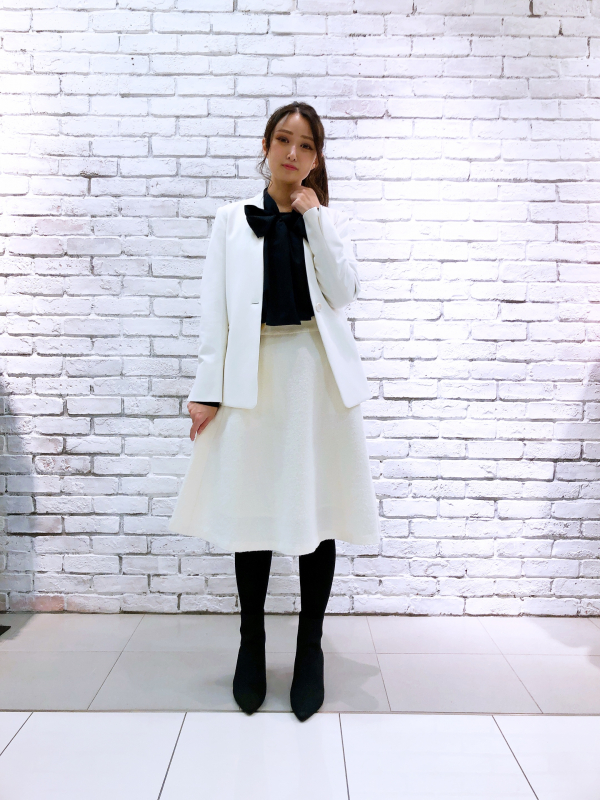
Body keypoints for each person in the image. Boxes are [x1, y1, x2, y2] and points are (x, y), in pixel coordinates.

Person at [168, 101, 380, 721]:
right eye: (284, 140)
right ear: (265, 146)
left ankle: (310, 648)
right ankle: (252, 644)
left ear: (316, 158)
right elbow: (214, 313)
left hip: (315, 379)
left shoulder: (326, 219)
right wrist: (205, 392)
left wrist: (315, 219)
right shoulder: (230, 221)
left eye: (306, 145)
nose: (293, 152)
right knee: (252, 513)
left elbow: (344, 292)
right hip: (253, 377)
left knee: (316, 510)